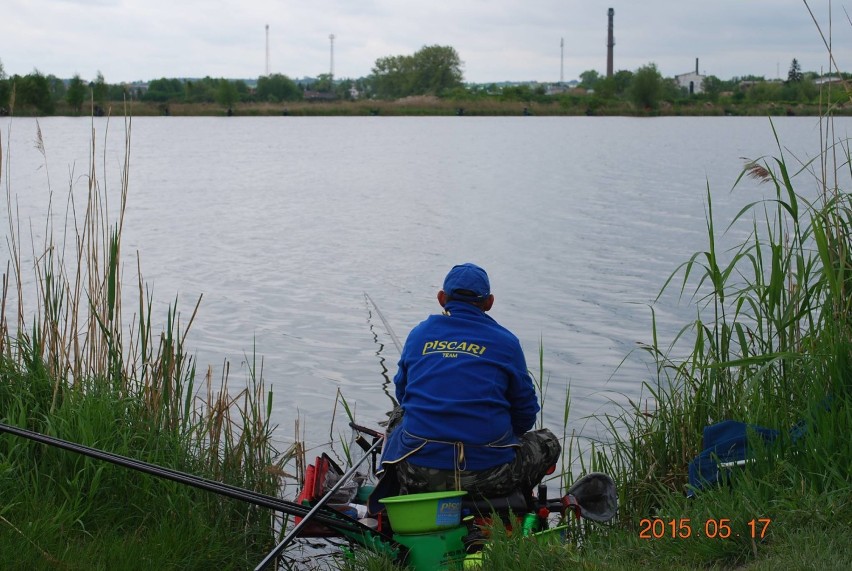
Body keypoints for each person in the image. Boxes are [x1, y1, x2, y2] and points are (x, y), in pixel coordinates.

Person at [378, 263, 561, 499]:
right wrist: (496, 437)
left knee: (398, 416)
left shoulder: (419, 334)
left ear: (442, 298)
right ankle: (513, 501)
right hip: (488, 477)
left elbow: (404, 395)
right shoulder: (506, 342)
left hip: (417, 475)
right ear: (489, 303)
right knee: (548, 443)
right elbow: (525, 413)